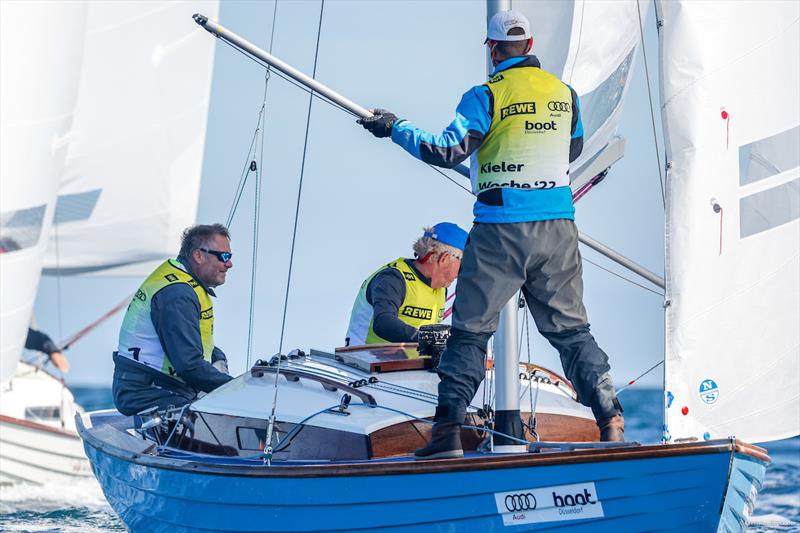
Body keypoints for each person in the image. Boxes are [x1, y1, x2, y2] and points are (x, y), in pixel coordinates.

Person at [358, 10, 624, 458]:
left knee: (470, 333)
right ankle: (611, 423)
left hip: (501, 229)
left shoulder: (486, 94)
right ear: (531, 44)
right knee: (573, 332)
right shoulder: (565, 95)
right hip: (558, 228)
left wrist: (394, 128)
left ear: (493, 50)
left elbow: (446, 150)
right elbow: (572, 147)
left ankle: (445, 437)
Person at [112, 223, 234, 416]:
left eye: (230, 257)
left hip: (164, 387)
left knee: (217, 358)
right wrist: (237, 390)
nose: (229, 264)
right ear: (198, 255)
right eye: (224, 257)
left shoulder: (183, 280)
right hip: (145, 392)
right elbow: (190, 366)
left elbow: (195, 349)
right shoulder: (177, 294)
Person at [345, 222, 468, 346]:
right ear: (444, 258)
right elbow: (383, 323)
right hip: (363, 361)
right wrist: (431, 338)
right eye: (464, 264)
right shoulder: (393, 278)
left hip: (405, 363)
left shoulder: (440, 289)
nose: (462, 273)